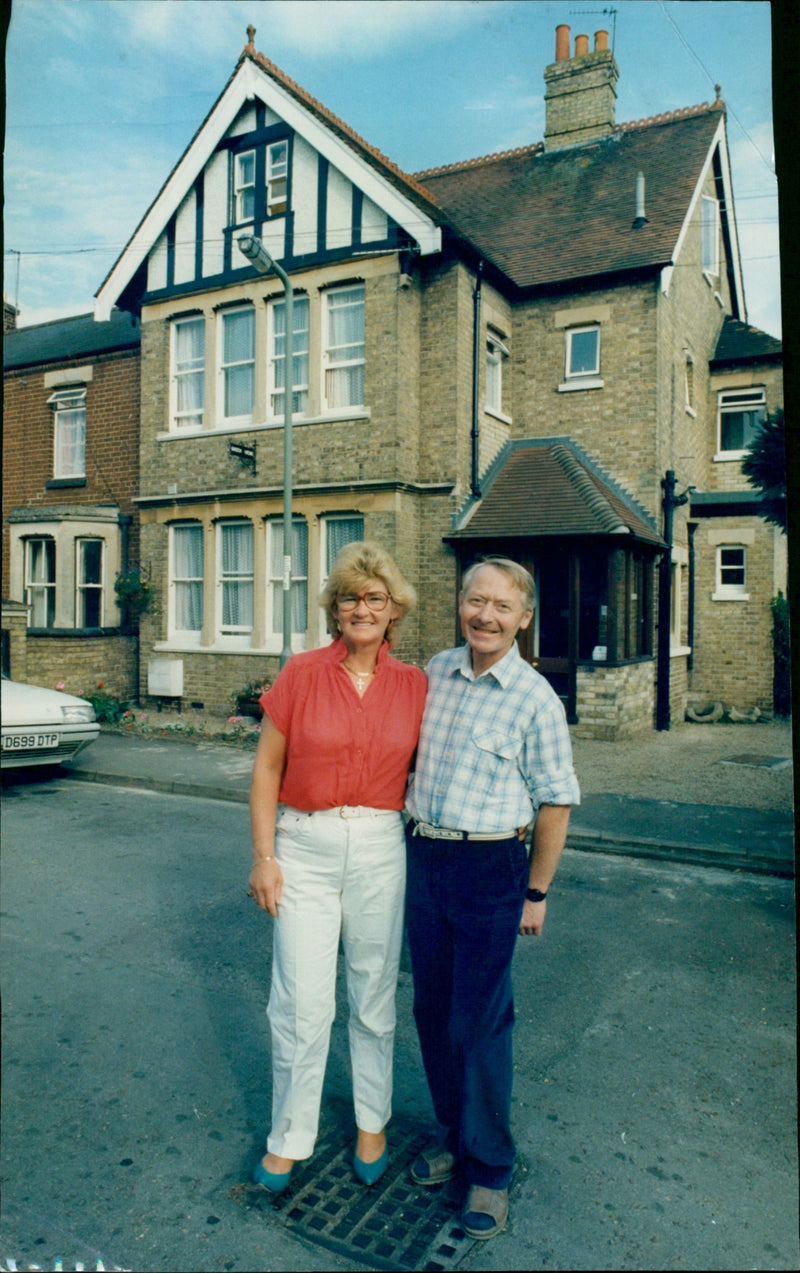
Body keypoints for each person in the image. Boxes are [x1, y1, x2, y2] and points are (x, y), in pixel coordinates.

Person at [405, 556, 579, 1240]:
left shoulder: (536, 699)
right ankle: (455, 1134)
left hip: (490, 867)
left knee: (479, 1021)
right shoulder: (435, 672)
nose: (486, 615)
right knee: (431, 1009)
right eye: (476, 600)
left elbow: (556, 802)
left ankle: (491, 1167)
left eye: (502, 606)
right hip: (425, 856)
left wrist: (537, 891)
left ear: (523, 618)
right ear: (460, 603)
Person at [248, 541, 427, 1194]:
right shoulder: (301, 674)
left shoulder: (415, 685)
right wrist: (264, 857)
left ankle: (371, 1122)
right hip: (305, 845)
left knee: (373, 995)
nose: (362, 609)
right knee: (300, 1001)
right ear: (334, 607)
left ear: (393, 609)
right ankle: (289, 1137)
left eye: (375, 598)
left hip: (380, 846)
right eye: (350, 597)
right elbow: (267, 770)